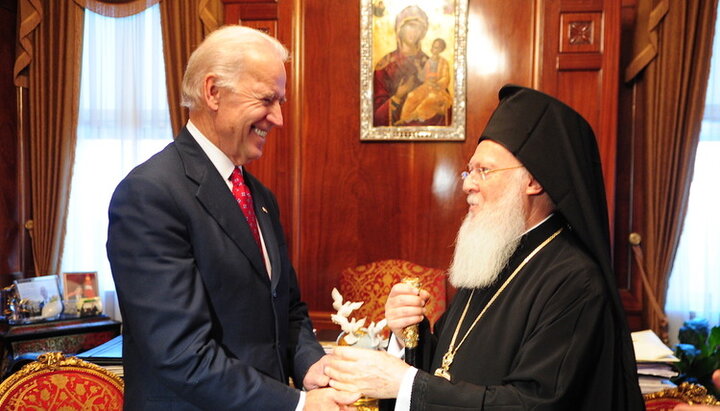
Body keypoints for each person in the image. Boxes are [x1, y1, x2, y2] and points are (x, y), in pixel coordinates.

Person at [326, 85, 645, 410]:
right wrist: (409, 332)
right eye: (470, 169)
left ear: (534, 182)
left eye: (484, 171)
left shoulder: (575, 281)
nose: (467, 183)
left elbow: (535, 403)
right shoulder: (494, 255)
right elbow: (447, 365)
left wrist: (405, 383)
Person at [107, 26, 358, 410]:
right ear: (213, 92)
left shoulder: (261, 198)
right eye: (266, 100)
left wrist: (312, 364)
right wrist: (299, 405)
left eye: (280, 102)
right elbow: (182, 353)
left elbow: (287, 309)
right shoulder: (150, 194)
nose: (277, 118)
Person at [373, 5, 432, 126]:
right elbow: (376, 116)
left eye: (419, 28)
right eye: (410, 26)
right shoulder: (385, 65)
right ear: (400, 29)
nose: (415, 32)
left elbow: (445, 108)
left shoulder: (430, 63)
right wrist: (398, 96)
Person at [399, 38, 452, 125]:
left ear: (441, 50)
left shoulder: (444, 63)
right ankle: (405, 118)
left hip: (438, 90)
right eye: (433, 46)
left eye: (436, 47)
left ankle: (416, 115)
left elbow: (446, 78)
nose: (433, 49)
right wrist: (418, 67)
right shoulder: (428, 61)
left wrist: (437, 83)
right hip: (426, 87)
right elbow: (422, 77)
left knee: (430, 98)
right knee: (411, 95)